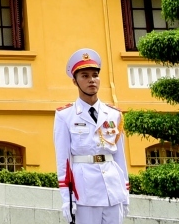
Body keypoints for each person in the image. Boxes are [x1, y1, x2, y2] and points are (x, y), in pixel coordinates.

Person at [55, 49, 129, 224]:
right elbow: (63, 161)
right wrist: (67, 199)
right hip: (85, 191)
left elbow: (120, 157)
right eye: (85, 76)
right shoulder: (65, 116)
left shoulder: (114, 114)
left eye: (95, 75)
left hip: (112, 188)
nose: (91, 80)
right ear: (75, 81)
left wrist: (125, 192)